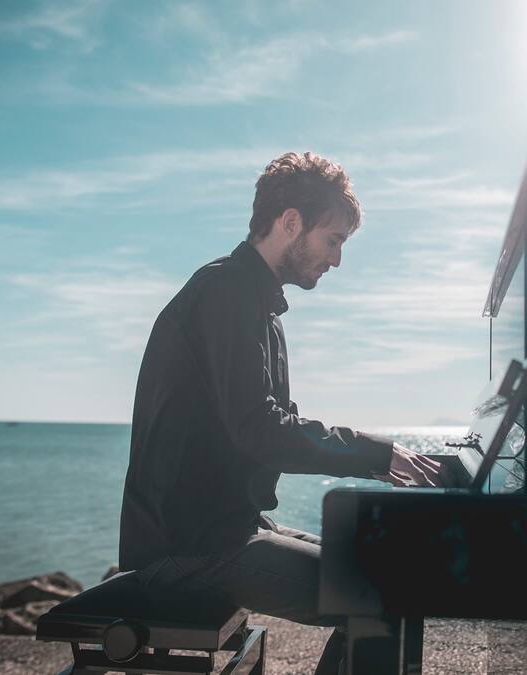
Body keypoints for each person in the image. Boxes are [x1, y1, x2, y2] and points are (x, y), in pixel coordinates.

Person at [118, 151, 442, 674]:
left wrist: (378, 455)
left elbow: (269, 424)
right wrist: (376, 456)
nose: (336, 260)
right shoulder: (225, 293)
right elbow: (261, 430)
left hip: (221, 528)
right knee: (384, 590)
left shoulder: (255, 302)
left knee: (390, 570)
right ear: (290, 222)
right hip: (188, 547)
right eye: (333, 240)